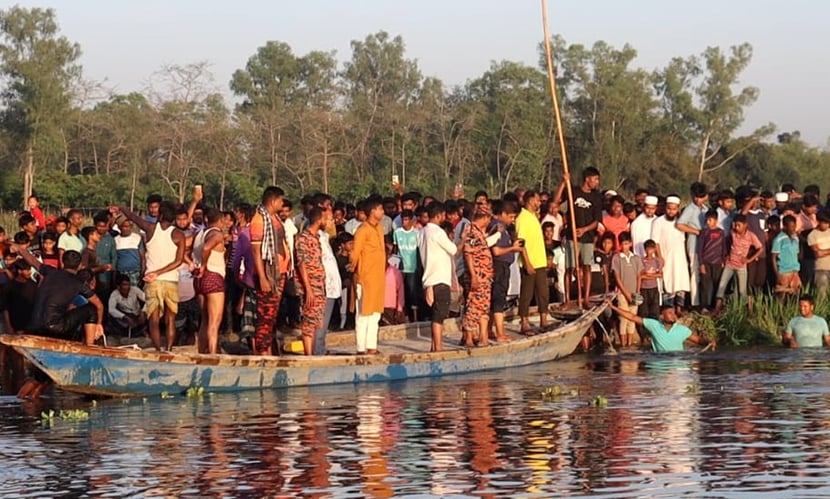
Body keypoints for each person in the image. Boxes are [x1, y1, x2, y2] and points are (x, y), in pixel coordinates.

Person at [114, 201, 186, 351]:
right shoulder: (179, 234)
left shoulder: (151, 228)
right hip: (171, 280)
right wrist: (161, 272)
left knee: (153, 318)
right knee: (170, 318)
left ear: (160, 215)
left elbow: (134, 217)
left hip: (152, 281)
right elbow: (178, 261)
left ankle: (158, 350)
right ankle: (169, 349)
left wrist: (121, 207)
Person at [13, 245, 104, 346]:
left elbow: (32, 260)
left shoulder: (49, 271)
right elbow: (99, 305)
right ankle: (90, 346)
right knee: (91, 309)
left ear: (62, 262)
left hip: (33, 325)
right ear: (79, 266)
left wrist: (19, 249)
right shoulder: (79, 282)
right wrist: (99, 325)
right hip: (54, 327)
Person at [250, 186, 291, 355]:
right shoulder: (259, 220)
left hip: (279, 273)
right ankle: (262, 353)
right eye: (281, 200)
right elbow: (256, 252)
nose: (282, 203)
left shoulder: (274, 218)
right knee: (265, 316)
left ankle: (268, 350)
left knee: (272, 315)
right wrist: (262, 278)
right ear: (273, 200)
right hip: (268, 274)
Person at [419, 202, 458, 352]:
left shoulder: (422, 232)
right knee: (439, 314)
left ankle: (434, 345)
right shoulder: (438, 232)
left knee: (436, 312)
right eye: (443, 215)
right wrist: (462, 241)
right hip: (439, 277)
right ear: (438, 215)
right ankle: (439, 346)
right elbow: (453, 249)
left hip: (429, 277)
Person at [350, 198, 386, 355]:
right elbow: (354, 255)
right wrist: (355, 273)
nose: (382, 212)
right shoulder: (362, 230)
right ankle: (360, 348)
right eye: (380, 209)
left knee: (375, 314)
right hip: (365, 278)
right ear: (373, 211)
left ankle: (372, 346)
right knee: (364, 313)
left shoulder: (379, 228)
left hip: (378, 278)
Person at [608, 301, 715, 353]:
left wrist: (709, 341)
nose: (673, 315)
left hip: (678, 366)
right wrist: (613, 307)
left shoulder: (682, 330)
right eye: (669, 313)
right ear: (661, 316)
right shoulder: (654, 325)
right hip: (659, 365)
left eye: (673, 313)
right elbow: (632, 317)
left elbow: (699, 340)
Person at [563, 168, 603, 306]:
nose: (597, 182)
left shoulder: (596, 197)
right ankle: (567, 300)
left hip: (588, 238)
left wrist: (584, 230)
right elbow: (556, 201)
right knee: (570, 268)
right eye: (595, 179)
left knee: (587, 266)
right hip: (571, 236)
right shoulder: (573, 191)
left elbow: (597, 221)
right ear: (587, 179)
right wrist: (564, 182)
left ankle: (585, 298)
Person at [714, 214, 765, 314]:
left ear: (745, 225)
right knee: (721, 286)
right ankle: (716, 309)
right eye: (735, 225)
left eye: (739, 225)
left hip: (741, 266)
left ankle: (748, 312)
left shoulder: (751, 236)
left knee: (742, 291)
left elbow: (760, 248)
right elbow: (728, 243)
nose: (737, 227)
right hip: (730, 264)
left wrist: (750, 259)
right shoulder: (732, 233)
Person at [192, 208, 226, 354]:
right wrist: (205, 265)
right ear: (220, 221)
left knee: (205, 320)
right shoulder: (217, 234)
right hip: (213, 276)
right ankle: (212, 355)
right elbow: (206, 247)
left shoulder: (199, 234)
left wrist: (195, 265)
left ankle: (201, 353)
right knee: (214, 322)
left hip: (199, 279)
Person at [489, 201, 523, 343]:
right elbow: (496, 251)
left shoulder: (504, 228)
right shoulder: (497, 227)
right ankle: (500, 333)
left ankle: (490, 330)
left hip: (503, 266)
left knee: (496, 299)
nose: (512, 220)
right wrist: (512, 249)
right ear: (502, 214)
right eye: (511, 217)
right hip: (499, 266)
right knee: (498, 300)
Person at [516, 190, 550, 332]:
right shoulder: (522, 218)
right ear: (530, 201)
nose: (539, 202)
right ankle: (524, 322)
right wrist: (527, 263)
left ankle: (544, 320)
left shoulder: (533, 217)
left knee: (543, 292)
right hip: (529, 262)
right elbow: (521, 242)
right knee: (527, 294)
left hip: (540, 261)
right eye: (537, 200)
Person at [295, 208, 327, 356]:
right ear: (319, 220)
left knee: (315, 322)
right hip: (310, 286)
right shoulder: (303, 238)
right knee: (308, 321)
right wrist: (308, 289)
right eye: (325, 219)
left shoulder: (316, 238)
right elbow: (301, 264)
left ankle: (312, 354)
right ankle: (308, 355)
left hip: (319, 285)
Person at [462, 210, 496, 347]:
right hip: (477, 276)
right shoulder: (471, 230)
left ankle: (483, 338)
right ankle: (469, 338)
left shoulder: (479, 232)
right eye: (489, 219)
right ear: (485, 218)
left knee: (483, 307)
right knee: (473, 306)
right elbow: (468, 253)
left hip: (485, 277)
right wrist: (474, 276)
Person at [651, 195, 690, 313]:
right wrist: (659, 257)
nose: (671, 211)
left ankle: (679, 307)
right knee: (668, 282)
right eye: (669, 208)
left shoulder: (681, 222)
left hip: (680, 257)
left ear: (678, 208)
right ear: (665, 208)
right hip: (665, 257)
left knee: (680, 281)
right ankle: (669, 309)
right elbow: (655, 241)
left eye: (674, 209)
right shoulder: (658, 222)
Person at [677, 182, 708, 308]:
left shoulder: (705, 209)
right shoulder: (690, 209)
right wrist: (696, 231)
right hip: (694, 244)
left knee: (703, 273)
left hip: (705, 245)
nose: (698, 200)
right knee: (694, 271)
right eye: (696, 196)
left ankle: (704, 300)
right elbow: (680, 224)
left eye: (700, 197)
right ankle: (695, 302)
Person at [612, 232, 642, 347]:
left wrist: (637, 291)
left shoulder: (636, 258)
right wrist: (626, 293)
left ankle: (629, 344)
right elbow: (617, 277)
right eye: (623, 244)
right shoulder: (617, 258)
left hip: (634, 293)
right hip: (622, 293)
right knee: (623, 318)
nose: (625, 246)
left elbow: (639, 276)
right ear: (620, 245)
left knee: (632, 319)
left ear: (630, 243)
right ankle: (623, 344)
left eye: (627, 243)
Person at [393, 209, 421, 321]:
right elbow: (396, 249)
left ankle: (415, 317)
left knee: (412, 292)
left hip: (412, 267)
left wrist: (419, 268)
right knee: (401, 292)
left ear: (411, 220)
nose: (404, 222)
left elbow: (418, 251)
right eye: (403, 220)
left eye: (406, 220)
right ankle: (403, 316)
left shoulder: (417, 233)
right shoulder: (397, 232)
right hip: (401, 268)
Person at [697, 210, 726, 311]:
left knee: (717, 284)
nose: (708, 222)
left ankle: (715, 306)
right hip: (706, 262)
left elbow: (723, 247)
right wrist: (701, 264)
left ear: (716, 220)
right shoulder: (704, 232)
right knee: (705, 284)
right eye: (707, 220)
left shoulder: (721, 232)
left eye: (710, 220)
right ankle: (704, 306)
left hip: (718, 262)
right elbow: (699, 249)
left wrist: (723, 260)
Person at [0, 260, 38, 334]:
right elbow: (5, 309)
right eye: (26, 270)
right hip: (15, 326)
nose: (29, 272)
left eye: (29, 270)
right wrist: (9, 326)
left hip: (30, 326)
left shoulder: (33, 285)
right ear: (19, 271)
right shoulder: (9, 286)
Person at [771, 215, 801, 295]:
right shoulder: (779, 239)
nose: (793, 229)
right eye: (791, 226)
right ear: (784, 226)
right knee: (782, 294)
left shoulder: (796, 238)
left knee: (796, 293)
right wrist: (777, 274)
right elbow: (774, 257)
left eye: (794, 226)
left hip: (794, 270)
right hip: (783, 271)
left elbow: (796, 254)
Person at [114, 219, 145, 286]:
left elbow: (142, 258)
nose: (126, 229)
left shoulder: (137, 238)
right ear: (119, 227)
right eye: (124, 226)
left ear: (131, 227)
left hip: (135, 272)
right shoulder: (115, 240)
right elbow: (115, 258)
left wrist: (142, 273)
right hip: (121, 272)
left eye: (128, 226)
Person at [638, 239, 663, 319]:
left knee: (654, 310)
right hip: (644, 288)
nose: (650, 251)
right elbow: (641, 276)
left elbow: (660, 275)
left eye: (651, 249)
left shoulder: (657, 261)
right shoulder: (641, 260)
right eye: (648, 249)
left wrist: (648, 275)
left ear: (654, 249)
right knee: (643, 310)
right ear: (645, 250)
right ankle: (643, 330)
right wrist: (654, 275)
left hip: (654, 288)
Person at [808, 211, 830, 294]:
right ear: (818, 221)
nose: (826, 225)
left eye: (827, 223)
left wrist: (824, 251)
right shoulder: (812, 235)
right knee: (822, 294)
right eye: (824, 222)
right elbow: (818, 253)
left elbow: (821, 252)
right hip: (821, 268)